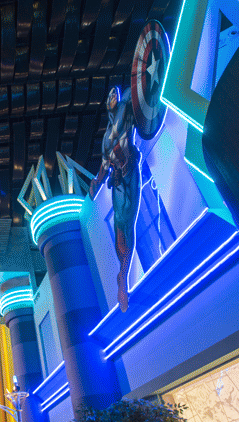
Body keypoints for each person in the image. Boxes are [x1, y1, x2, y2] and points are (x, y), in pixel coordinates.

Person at [88, 86, 141, 312]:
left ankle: (123, 278)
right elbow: (104, 164)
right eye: (109, 97)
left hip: (129, 173)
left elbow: (136, 91)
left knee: (127, 226)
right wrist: (96, 182)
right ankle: (123, 277)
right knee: (120, 230)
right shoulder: (105, 138)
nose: (112, 98)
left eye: (114, 95)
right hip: (117, 182)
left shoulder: (125, 110)